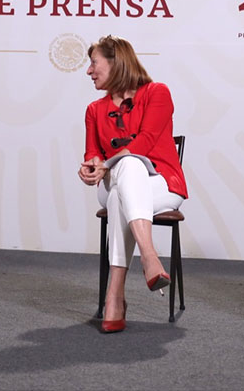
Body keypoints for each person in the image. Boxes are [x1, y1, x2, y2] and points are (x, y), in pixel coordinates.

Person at [78, 35, 187, 334]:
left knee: (125, 179)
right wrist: (90, 166)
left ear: (116, 63)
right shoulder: (93, 110)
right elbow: (92, 152)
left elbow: (146, 142)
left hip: (162, 184)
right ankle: (149, 256)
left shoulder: (157, 93)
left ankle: (115, 295)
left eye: (94, 63)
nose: (89, 71)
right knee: (124, 172)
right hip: (114, 182)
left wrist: (107, 163)